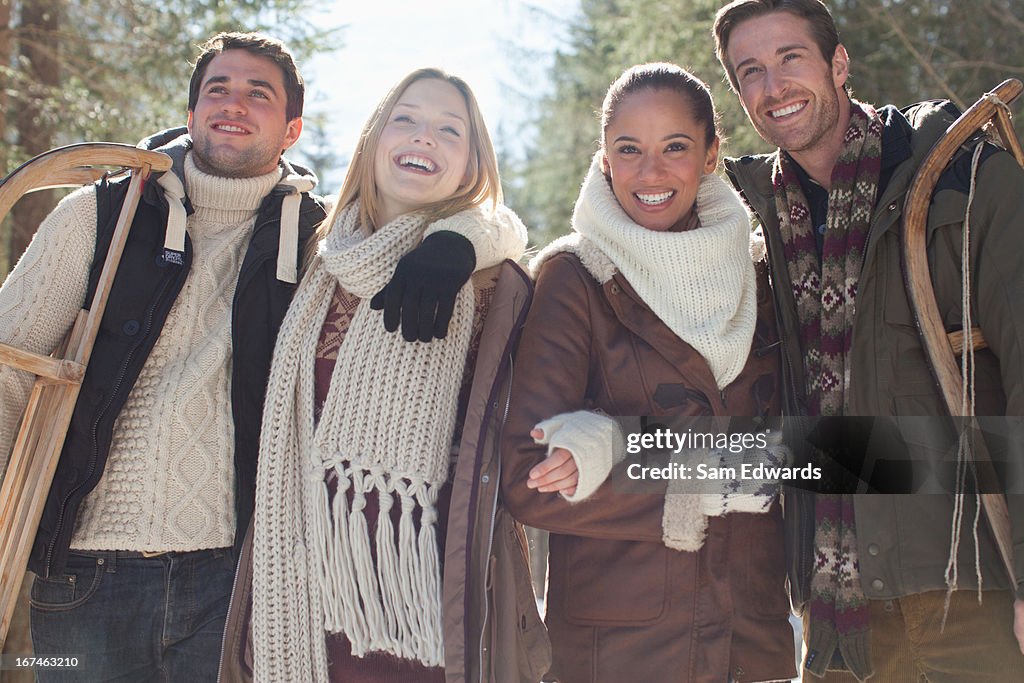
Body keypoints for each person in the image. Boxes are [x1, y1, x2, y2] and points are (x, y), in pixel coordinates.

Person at [0, 33, 481, 680]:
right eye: (218, 89)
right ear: (192, 112)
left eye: (259, 94)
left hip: (236, 578)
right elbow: (9, 364)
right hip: (84, 573)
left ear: (291, 129)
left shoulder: (320, 237)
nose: (235, 104)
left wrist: (462, 238)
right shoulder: (100, 214)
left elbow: (433, 211)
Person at [713, 1, 1024, 681]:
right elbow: (640, 189)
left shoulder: (961, 180)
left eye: (791, 57)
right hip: (835, 621)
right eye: (751, 72)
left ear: (840, 62)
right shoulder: (750, 217)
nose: (775, 86)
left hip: (967, 593)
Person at [231, 67, 553, 683]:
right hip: (298, 591)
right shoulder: (311, 258)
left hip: (431, 604)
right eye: (405, 119)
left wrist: (465, 237)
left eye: (448, 129)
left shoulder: (493, 282)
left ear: (472, 165)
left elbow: (507, 229)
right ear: (373, 141)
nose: (424, 137)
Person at [500, 62, 797, 683]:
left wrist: (618, 447)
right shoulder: (575, 277)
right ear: (604, 159)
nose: (651, 172)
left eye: (676, 148)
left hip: (751, 637)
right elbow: (528, 478)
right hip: (620, 651)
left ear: (712, 155)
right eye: (628, 149)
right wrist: (700, 482)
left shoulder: (766, 276)